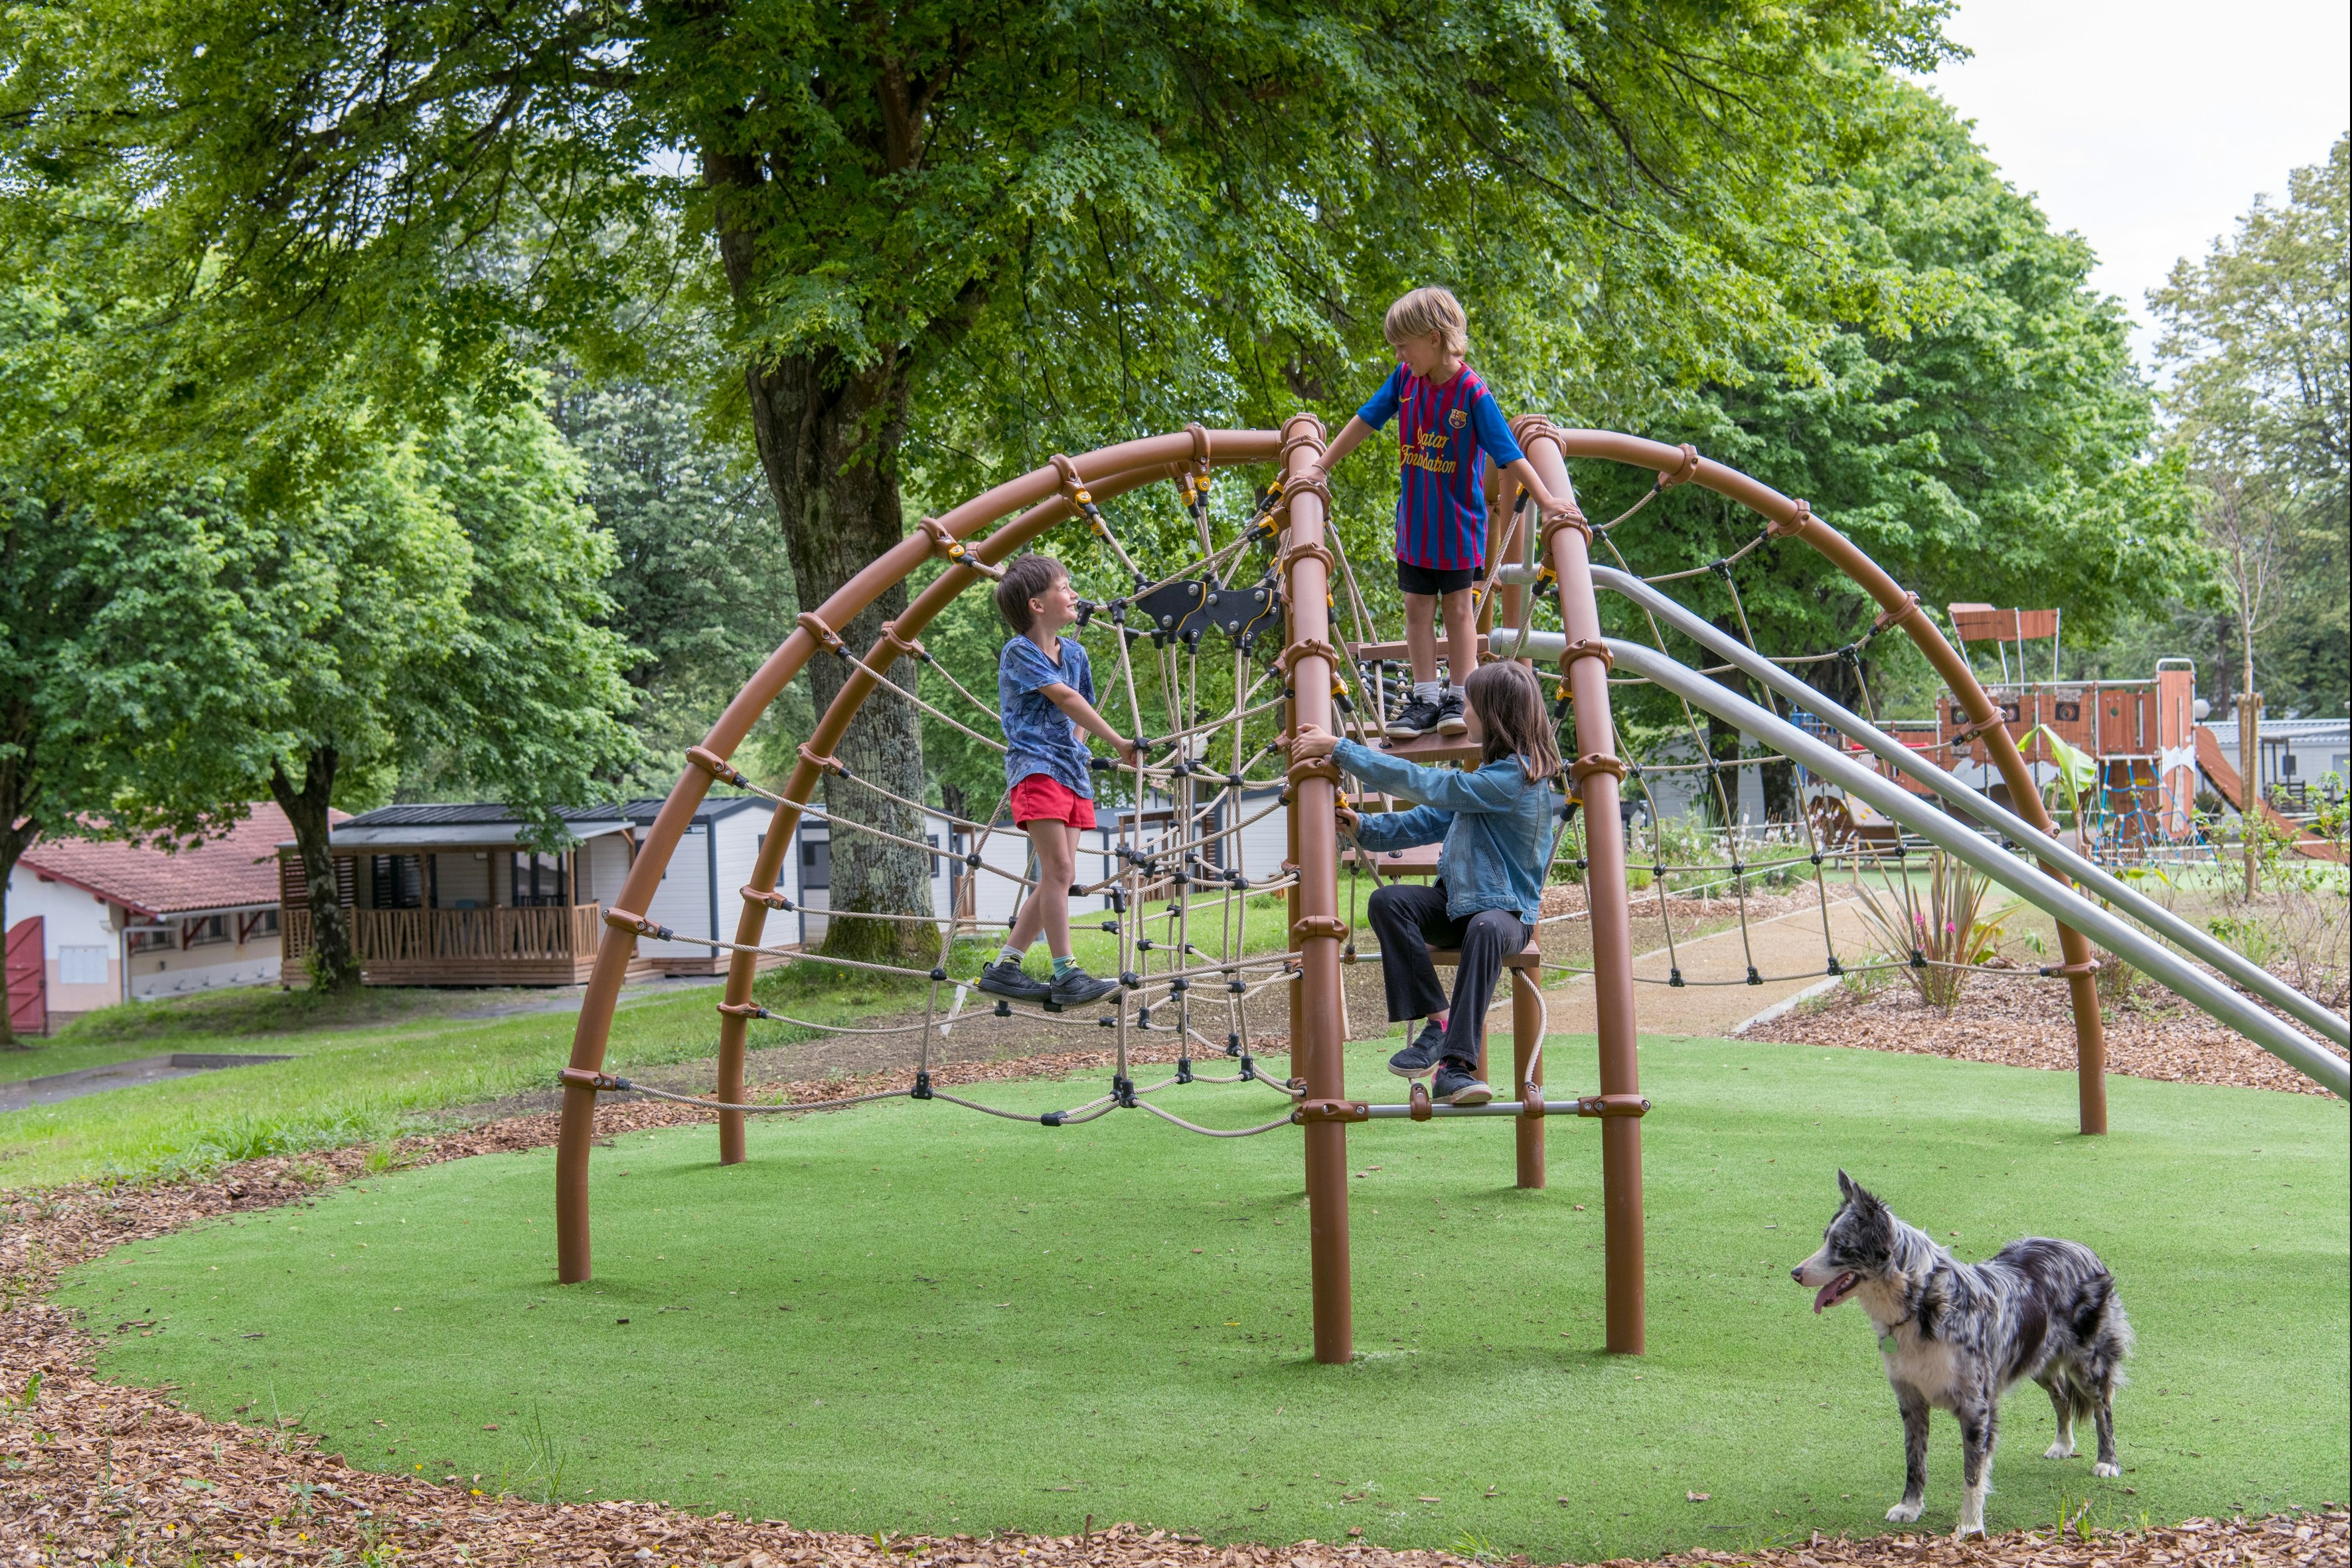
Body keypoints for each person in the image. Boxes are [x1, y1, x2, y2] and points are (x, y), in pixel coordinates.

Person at [1306, 285, 1579, 740]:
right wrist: (1320, 466)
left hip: (1457, 528)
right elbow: (1366, 419)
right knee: (1415, 608)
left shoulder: (1471, 392)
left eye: (1402, 345)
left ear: (1434, 338)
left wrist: (1548, 500)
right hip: (1415, 526)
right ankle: (1426, 695)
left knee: (1456, 610)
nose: (1397, 353)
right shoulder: (1404, 382)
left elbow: (1506, 451)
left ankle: (1460, 693)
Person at [1289, 661, 1564, 1105]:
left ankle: (1455, 1067)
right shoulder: (1485, 781)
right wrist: (1364, 827)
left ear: (1492, 714)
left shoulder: (1515, 779)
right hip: (1457, 906)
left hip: (1505, 916)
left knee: (1487, 926)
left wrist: (1342, 749)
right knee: (1388, 901)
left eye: (1471, 704)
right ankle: (1438, 1022)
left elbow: (1430, 786)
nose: (1465, 712)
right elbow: (1429, 819)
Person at [976, 554, 1137, 1007]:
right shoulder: (1020, 652)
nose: (1073, 595)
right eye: (1064, 587)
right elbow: (1063, 698)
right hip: (1036, 769)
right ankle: (1066, 973)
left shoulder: (1076, 653)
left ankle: (1006, 967)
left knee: (1057, 877)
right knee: (1060, 871)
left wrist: (1081, 747)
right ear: (1036, 605)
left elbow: (1079, 706)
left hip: (1069, 770)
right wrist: (1121, 742)